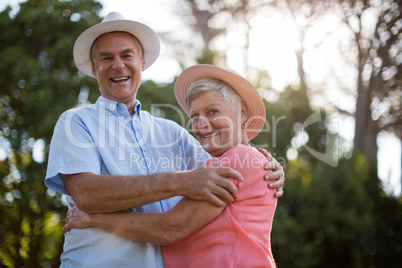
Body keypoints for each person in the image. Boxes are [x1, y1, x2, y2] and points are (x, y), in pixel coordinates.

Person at [45, 12, 284, 267]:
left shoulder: (172, 133)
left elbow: (228, 163)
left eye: (126, 55)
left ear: (143, 62)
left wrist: (269, 166)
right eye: (106, 58)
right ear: (94, 67)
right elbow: (85, 194)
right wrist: (181, 182)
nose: (118, 65)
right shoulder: (76, 122)